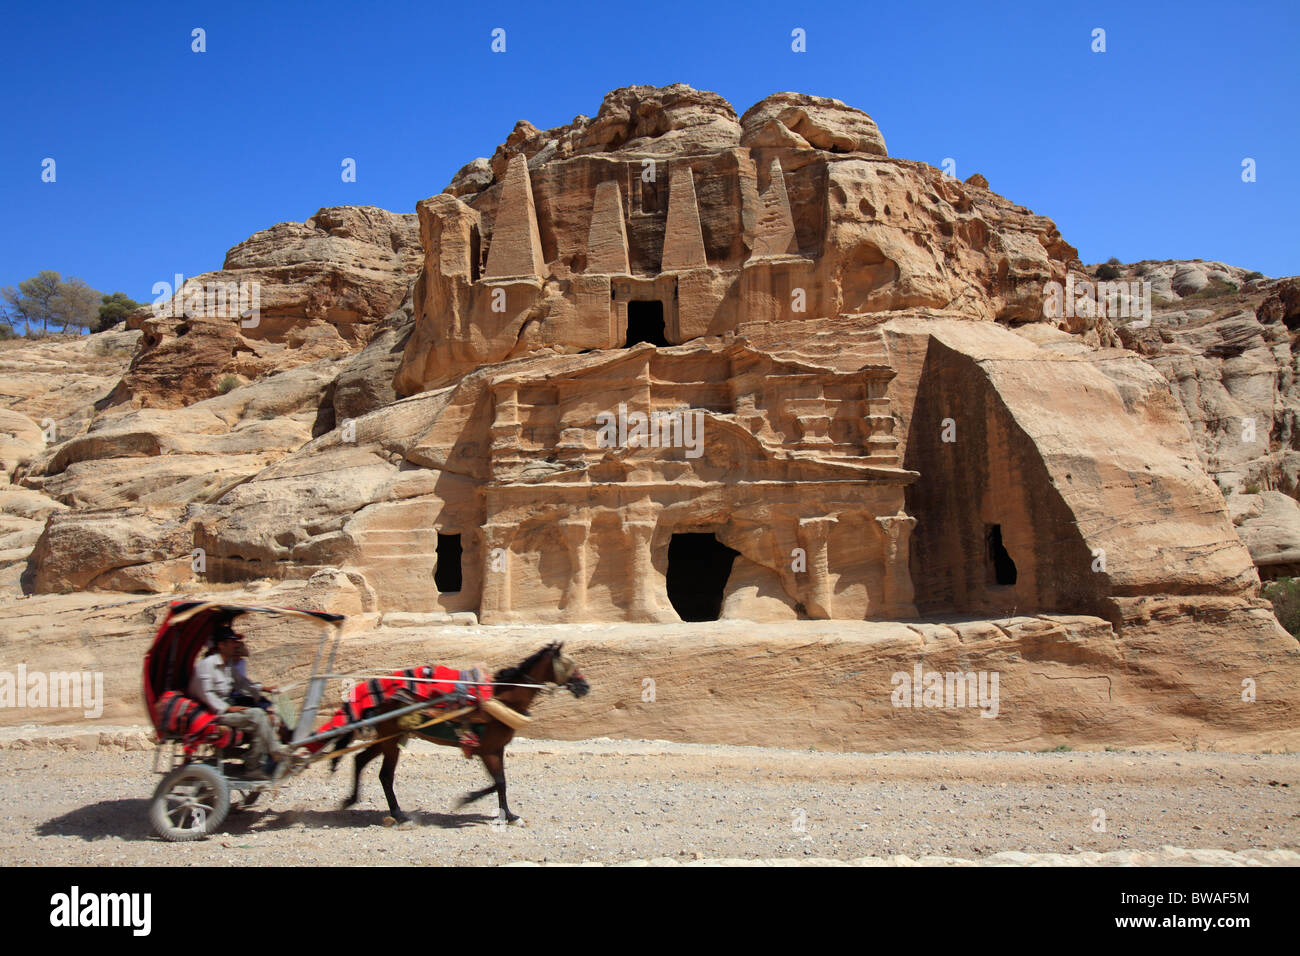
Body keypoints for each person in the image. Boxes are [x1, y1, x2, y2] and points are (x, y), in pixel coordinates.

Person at [188, 624, 288, 778]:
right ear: (221, 645)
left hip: (225, 708)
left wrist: (263, 689)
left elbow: (242, 683)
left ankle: (254, 764)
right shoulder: (207, 665)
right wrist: (227, 709)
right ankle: (274, 752)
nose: (235, 645)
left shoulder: (227, 665)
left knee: (264, 717)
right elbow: (206, 694)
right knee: (257, 715)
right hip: (212, 713)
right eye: (231, 642)